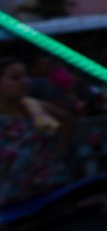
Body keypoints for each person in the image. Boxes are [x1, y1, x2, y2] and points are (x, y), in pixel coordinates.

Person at [0, 58, 72, 209]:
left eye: (25, 76)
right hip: (11, 202)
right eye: (15, 78)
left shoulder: (35, 107)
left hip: (50, 191)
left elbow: (67, 119)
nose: (24, 81)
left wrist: (61, 147)